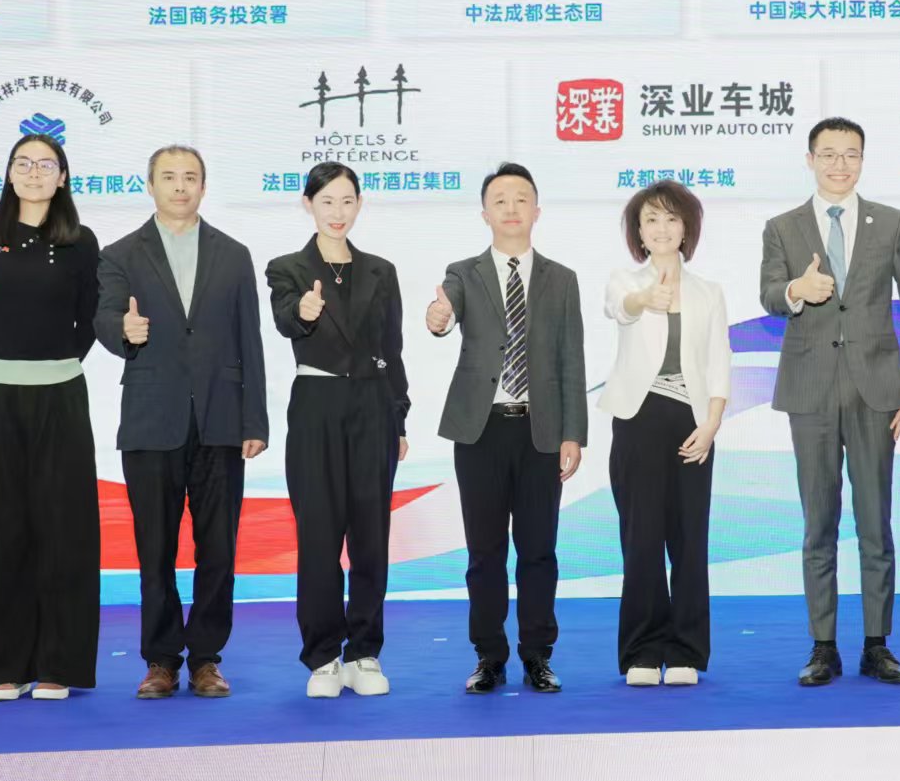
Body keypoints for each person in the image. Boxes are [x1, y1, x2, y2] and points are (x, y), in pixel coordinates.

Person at [759, 116, 900, 687]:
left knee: (875, 524)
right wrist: (797, 290)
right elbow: (769, 294)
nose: (840, 164)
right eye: (829, 154)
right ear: (810, 159)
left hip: (876, 393)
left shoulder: (892, 223)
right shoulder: (782, 227)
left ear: (863, 159)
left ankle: (877, 646)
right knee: (819, 524)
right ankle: (823, 647)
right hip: (809, 391)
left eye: (851, 154)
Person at [96, 145, 268, 699]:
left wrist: (255, 420)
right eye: (168, 177)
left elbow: (250, 340)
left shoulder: (233, 254)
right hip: (152, 419)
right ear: (149, 186)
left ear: (203, 186)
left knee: (219, 549)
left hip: (221, 420)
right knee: (156, 550)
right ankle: (162, 660)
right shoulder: (121, 254)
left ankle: (207, 659)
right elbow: (104, 318)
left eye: (190, 177)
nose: (179, 186)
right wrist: (123, 332)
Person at [0, 134, 101, 701]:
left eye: (46, 165)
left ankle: (58, 664)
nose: (34, 173)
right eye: (23, 164)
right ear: (9, 174)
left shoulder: (81, 242)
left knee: (63, 531)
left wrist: (55, 367)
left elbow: (90, 322)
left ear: (63, 177)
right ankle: (0, 666)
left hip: (60, 396)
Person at [424, 163, 586, 695]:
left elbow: (571, 359)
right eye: (500, 200)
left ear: (537, 210)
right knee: (485, 553)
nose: (511, 207)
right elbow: (445, 309)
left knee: (539, 551)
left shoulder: (561, 279)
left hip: (541, 431)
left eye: (521, 198)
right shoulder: (464, 272)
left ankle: (538, 655)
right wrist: (438, 317)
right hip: (481, 432)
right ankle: (488, 657)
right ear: (485, 214)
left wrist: (573, 432)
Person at [265, 162, 410, 699]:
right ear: (308, 204)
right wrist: (303, 311)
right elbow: (286, 318)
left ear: (359, 204)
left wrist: (399, 416)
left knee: (371, 535)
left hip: (373, 406)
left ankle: (365, 651)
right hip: (317, 406)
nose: (338, 212)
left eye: (347, 201)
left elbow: (393, 350)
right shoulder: (287, 267)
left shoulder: (380, 271)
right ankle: (323, 655)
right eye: (327, 201)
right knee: (319, 534)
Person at [599, 182, 732, 687]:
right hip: (638, 419)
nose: (661, 228)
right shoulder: (623, 280)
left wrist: (711, 425)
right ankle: (641, 649)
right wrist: (646, 297)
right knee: (641, 539)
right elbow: (621, 308)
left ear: (687, 229)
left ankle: (686, 650)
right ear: (638, 231)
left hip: (693, 422)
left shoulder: (709, 292)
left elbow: (719, 362)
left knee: (689, 539)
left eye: (671, 219)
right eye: (650, 219)